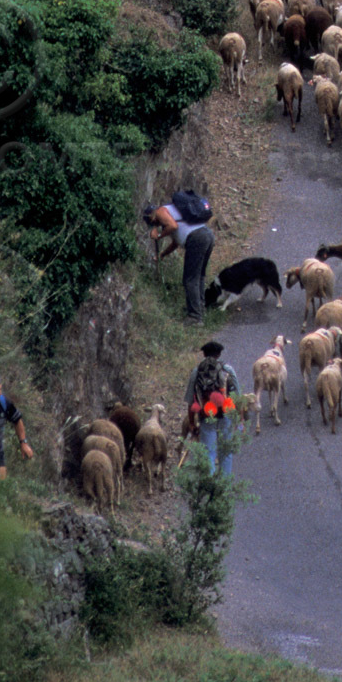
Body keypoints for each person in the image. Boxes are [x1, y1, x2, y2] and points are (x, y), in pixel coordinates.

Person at [142, 196, 215, 321]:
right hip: (207, 235)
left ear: (151, 216)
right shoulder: (173, 212)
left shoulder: (160, 211)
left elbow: (173, 226)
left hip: (197, 239)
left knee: (190, 279)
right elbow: (176, 242)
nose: (156, 225)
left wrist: (159, 235)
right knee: (199, 276)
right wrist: (162, 255)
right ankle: (199, 309)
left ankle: (195, 317)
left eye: (153, 223)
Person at [184, 340, 240, 477]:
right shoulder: (227, 369)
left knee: (208, 451)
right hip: (225, 413)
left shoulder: (197, 371)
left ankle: (210, 483)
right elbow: (237, 396)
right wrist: (238, 419)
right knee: (225, 451)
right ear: (219, 354)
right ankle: (224, 486)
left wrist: (192, 423)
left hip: (206, 415)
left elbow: (191, 401)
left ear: (204, 354)